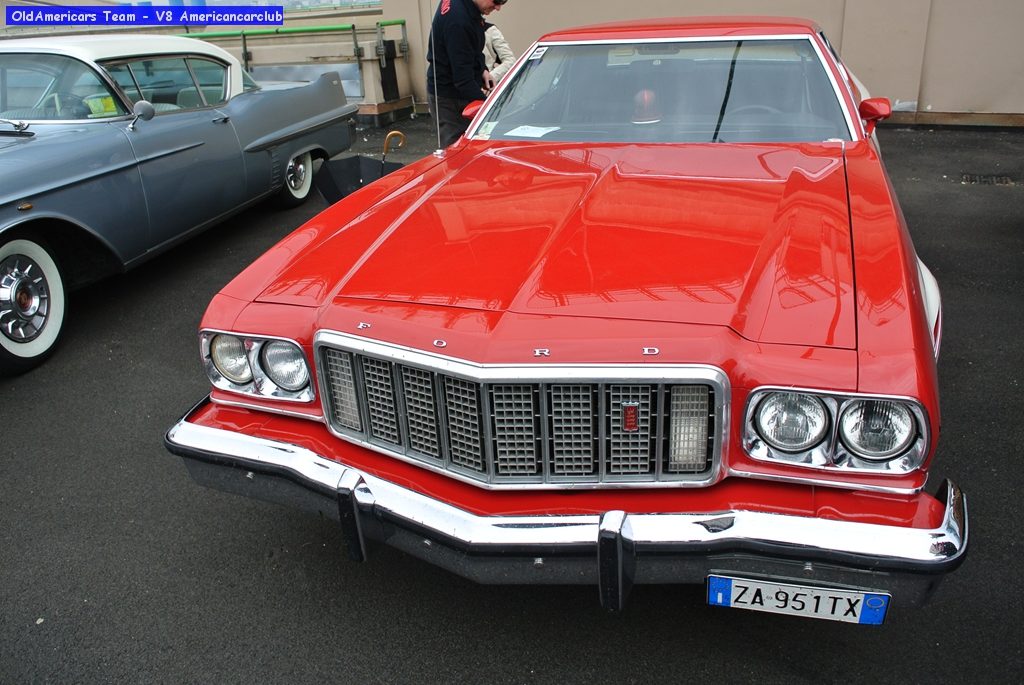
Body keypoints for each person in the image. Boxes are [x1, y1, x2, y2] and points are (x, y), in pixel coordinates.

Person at [426, 0, 508, 148]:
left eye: (503, 2)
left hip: (457, 88)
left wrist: (482, 70)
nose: (498, 8)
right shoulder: (458, 21)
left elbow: (472, 49)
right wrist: (488, 108)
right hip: (450, 99)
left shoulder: (468, 8)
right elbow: (463, 80)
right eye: (496, 1)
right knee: (456, 153)